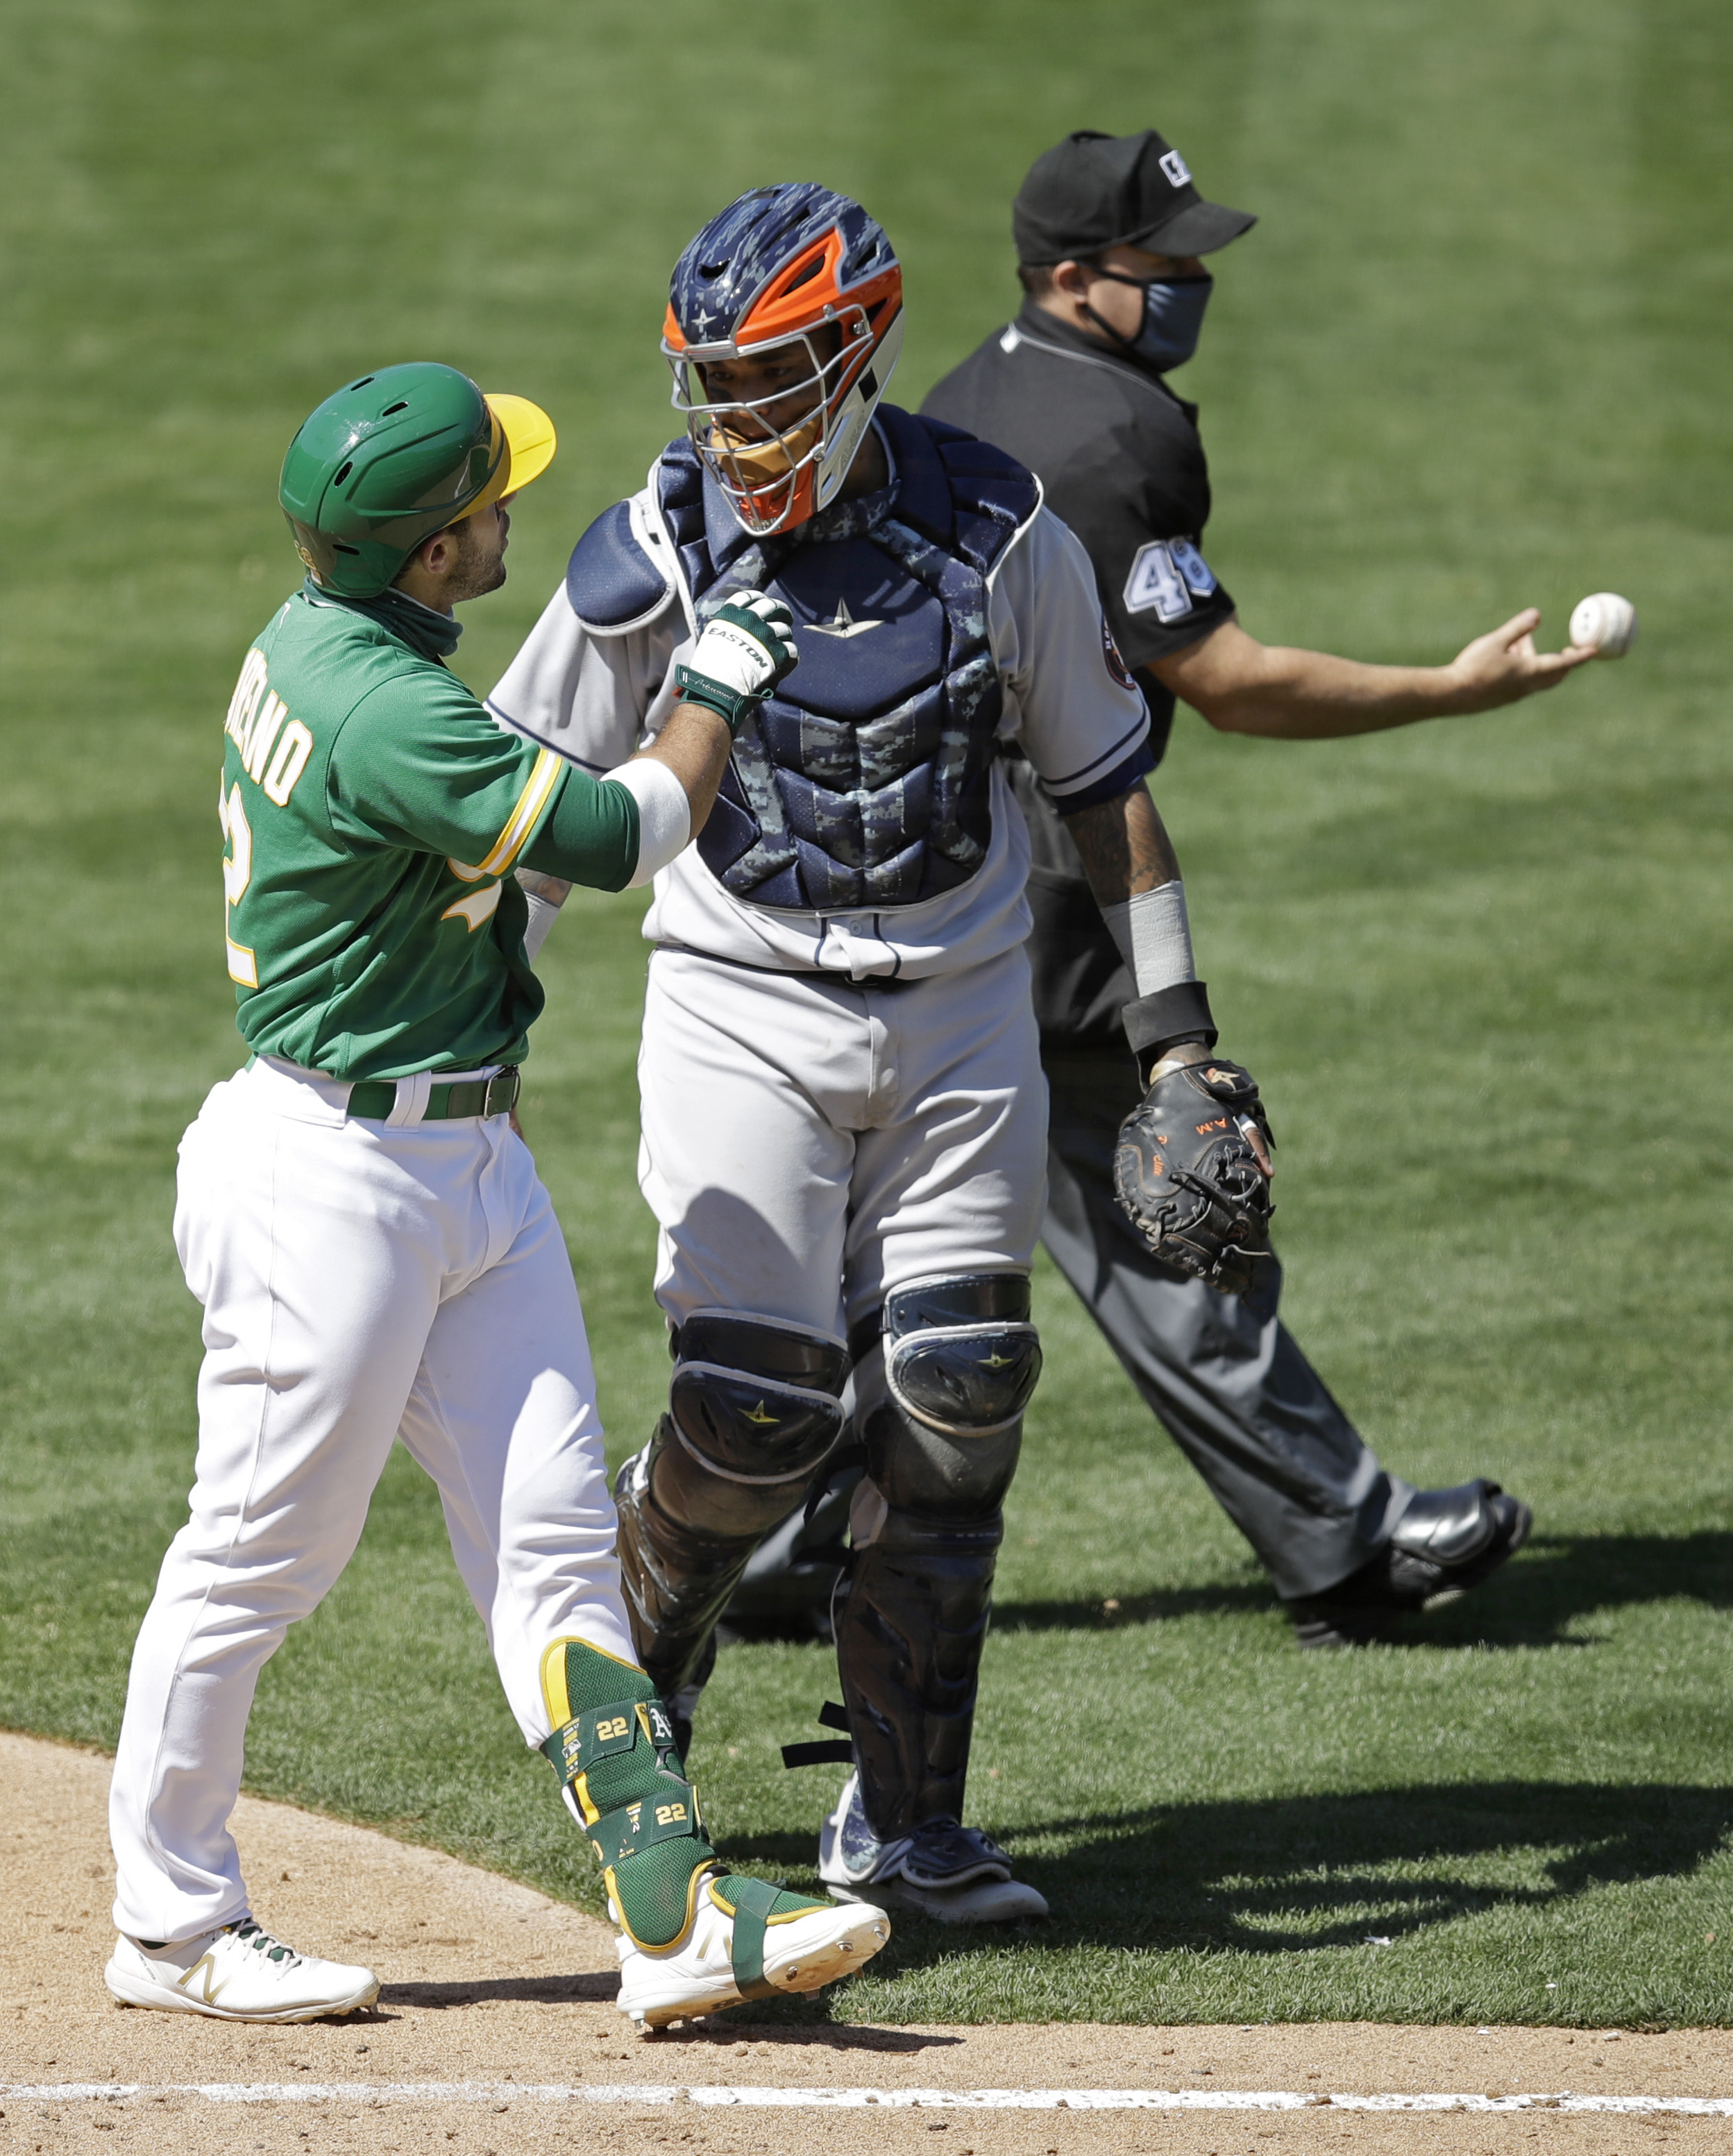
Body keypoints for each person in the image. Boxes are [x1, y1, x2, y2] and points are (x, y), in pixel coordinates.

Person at [490, 183, 1265, 1922]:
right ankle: (652, 1669)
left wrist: (1176, 1046)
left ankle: (904, 1821)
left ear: (856, 357)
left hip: (963, 1001)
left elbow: (1105, 798)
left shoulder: (1002, 535)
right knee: (754, 1416)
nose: (733, 423)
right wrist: (487, 1023)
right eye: (714, 383)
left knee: (960, 1390)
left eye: (768, 381)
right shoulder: (659, 548)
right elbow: (526, 804)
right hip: (736, 997)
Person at [727, 129, 1589, 1650]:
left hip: (910, 877)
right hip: (1048, 889)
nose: (1194, 283)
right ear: (1075, 278)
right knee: (1173, 1207)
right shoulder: (1113, 440)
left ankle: (774, 1548)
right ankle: (1343, 1539)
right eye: (1166, 264)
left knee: (911, 1243)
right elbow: (1230, 683)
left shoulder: (972, 395)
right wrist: (1454, 691)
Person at [103, 362, 889, 2031]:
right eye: (487, 501)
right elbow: (625, 828)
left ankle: (669, 1912)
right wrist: (718, 681)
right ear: (428, 547)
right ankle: (168, 1922)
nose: (510, 511)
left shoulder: (341, 645)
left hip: (463, 1165)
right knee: (259, 1554)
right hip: (330, 1181)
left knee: (555, 1558)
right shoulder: (388, 707)